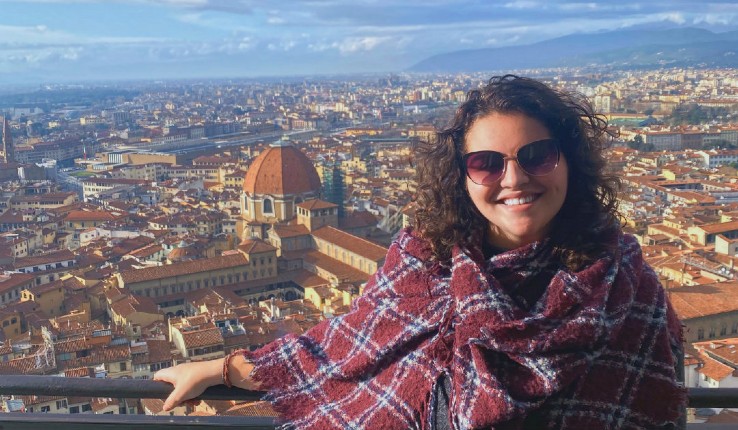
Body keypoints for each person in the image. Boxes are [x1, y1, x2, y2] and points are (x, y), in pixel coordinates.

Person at [154, 75, 685, 429]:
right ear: (462, 176)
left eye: (538, 155)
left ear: (569, 161)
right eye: (487, 163)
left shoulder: (631, 295)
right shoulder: (422, 269)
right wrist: (223, 368)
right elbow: (342, 352)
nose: (514, 178)